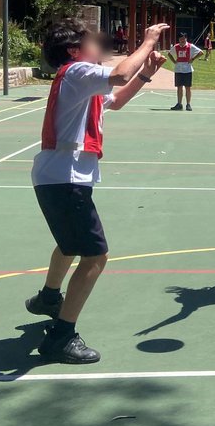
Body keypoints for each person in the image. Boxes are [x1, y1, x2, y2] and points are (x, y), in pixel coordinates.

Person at [26, 18, 169, 363]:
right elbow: (119, 74)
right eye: (93, 41)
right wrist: (148, 41)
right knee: (95, 257)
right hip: (65, 177)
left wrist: (146, 74)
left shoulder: (81, 83)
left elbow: (115, 100)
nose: (100, 45)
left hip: (60, 176)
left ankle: (49, 297)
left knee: (70, 245)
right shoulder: (76, 72)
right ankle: (61, 337)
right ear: (74, 50)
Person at [169, 33, 202, 111]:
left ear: (186, 39)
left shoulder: (190, 46)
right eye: (181, 39)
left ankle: (188, 104)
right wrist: (174, 61)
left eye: (183, 39)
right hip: (178, 69)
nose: (182, 40)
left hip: (187, 70)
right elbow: (169, 54)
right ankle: (179, 104)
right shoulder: (176, 47)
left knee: (188, 87)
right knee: (179, 87)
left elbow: (201, 52)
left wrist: (193, 59)